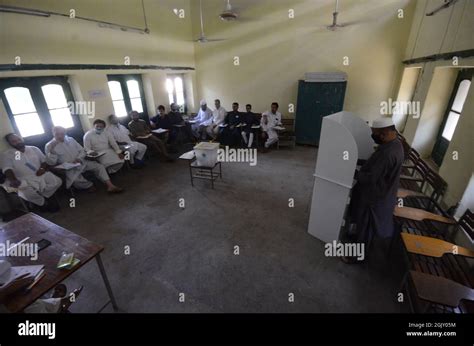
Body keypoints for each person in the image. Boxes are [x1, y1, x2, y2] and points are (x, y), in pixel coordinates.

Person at [342, 118, 404, 263]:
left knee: (366, 226)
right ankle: (357, 238)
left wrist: (352, 172)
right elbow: (374, 165)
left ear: (384, 133)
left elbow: (371, 177)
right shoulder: (394, 144)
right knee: (362, 223)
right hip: (382, 191)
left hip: (375, 196)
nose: (375, 137)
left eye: (375, 134)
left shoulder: (388, 153)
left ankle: (357, 257)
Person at [46, 126, 123, 193]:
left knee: (99, 167)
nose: (60, 136)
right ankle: (89, 185)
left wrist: (79, 158)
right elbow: (51, 162)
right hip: (69, 167)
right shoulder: (49, 145)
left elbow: (82, 150)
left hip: (82, 162)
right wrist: (52, 151)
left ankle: (110, 185)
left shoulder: (71, 139)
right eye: (57, 134)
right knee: (75, 181)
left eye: (62, 134)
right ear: (53, 134)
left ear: (65, 133)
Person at [1, 133, 61, 212]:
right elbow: (7, 169)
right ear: (10, 143)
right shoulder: (6, 155)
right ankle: (42, 203)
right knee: (27, 194)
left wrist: (42, 168)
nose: (18, 142)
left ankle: (46, 196)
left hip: (39, 174)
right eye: (14, 141)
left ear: (22, 139)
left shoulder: (33, 148)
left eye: (19, 139)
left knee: (57, 181)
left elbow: (44, 161)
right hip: (23, 178)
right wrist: (13, 179)